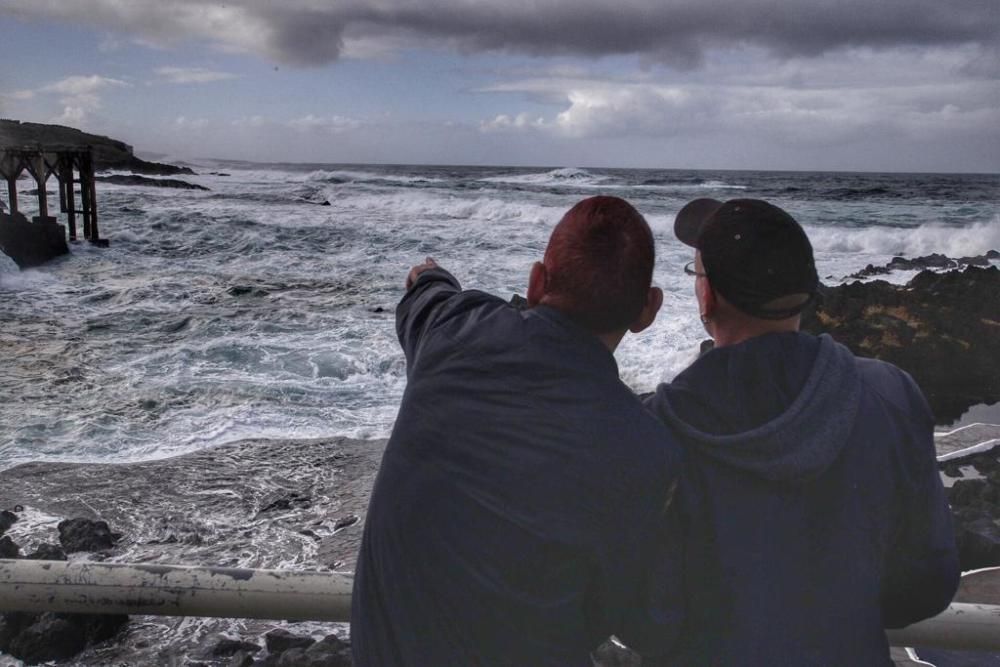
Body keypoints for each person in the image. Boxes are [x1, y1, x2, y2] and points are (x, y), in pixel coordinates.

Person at [351, 196, 684, 666]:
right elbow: (616, 616)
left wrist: (430, 275)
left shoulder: (452, 331)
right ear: (648, 310)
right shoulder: (648, 452)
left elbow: (424, 294)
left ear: (535, 283)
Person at [640, 198, 960, 665]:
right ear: (808, 290)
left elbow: (647, 618)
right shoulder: (891, 394)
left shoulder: (657, 426)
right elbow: (927, 585)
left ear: (707, 297)